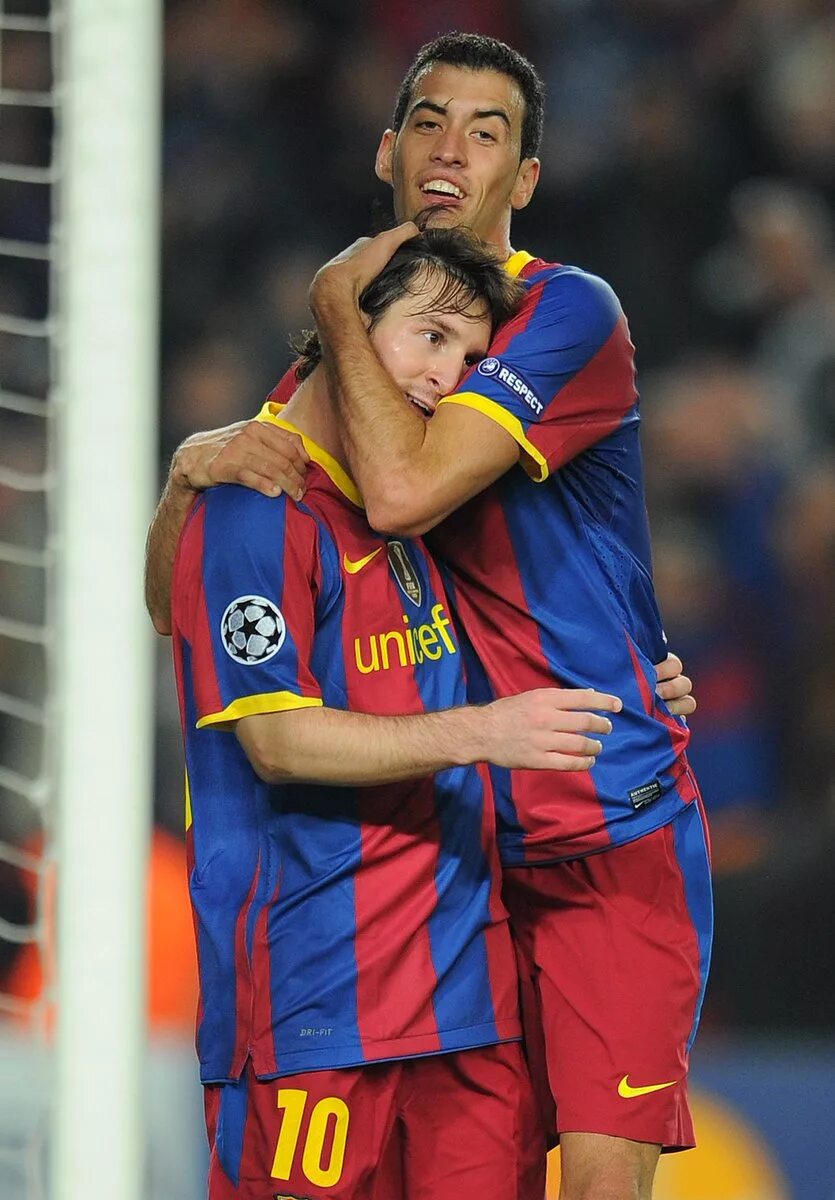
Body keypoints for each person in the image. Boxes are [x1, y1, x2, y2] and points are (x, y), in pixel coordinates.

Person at [149, 33, 708, 1200]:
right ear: (386, 152)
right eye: (429, 122)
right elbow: (184, 600)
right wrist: (189, 471)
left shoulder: (558, 312)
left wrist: (333, 305)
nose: (453, 149)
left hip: (597, 824)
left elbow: (403, 494)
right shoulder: (362, 361)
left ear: (527, 178)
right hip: (452, 867)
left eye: (487, 132)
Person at [171, 227, 625, 1200]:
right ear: (342, 331)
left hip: (465, 1007)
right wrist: (485, 732)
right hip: (311, 1006)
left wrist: (648, 664)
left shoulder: (420, 519)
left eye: (469, 359)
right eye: (430, 336)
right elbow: (275, 738)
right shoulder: (254, 508)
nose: (447, 377)